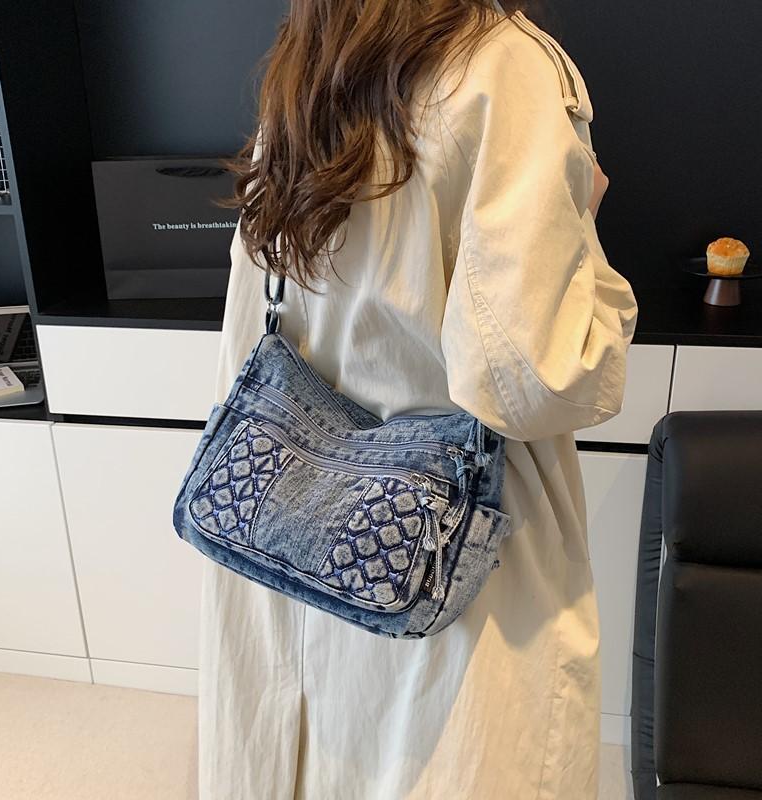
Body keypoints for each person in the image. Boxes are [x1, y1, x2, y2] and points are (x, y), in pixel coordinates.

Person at [199, 1, 638, 798]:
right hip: (456, 553)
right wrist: (587, 246)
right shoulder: (504, 65)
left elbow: (256, 316)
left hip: (288, 520)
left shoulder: (310, 63)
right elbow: (533, 379)